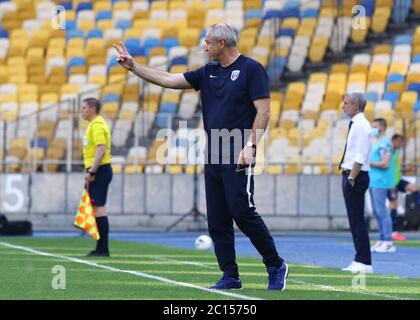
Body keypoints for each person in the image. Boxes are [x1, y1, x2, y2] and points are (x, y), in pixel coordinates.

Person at [113, 23, 288, 290]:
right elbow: (169, 79)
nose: (204, 46)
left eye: (207, 42)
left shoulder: (251, 69)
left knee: (242, 211)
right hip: (214, 150)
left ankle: (275, 264)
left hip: (238, 148)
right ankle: (230, 275)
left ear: (221, 44)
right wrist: (134, 67)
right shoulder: (208, 72)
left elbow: (263, 111)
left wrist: (251, 146)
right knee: (217, 217)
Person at [340, 93, 373, 273]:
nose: (343, 106)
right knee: (355, 220)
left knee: (357, 220)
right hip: (352, 174)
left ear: (355, 105)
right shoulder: (357, 124)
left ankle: (364, 261)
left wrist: (352, 177)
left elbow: (360, 154)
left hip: (355, 176)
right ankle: (360, 258)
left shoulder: (361, 126)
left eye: (345, 103)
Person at [81, 98, 113, 257]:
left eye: (84, 107)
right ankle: (100, 247)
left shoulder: (97, 125)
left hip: (99, 170)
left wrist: (92, 172)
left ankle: (103, 248)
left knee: (99, 208)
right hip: (98, 170)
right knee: (96, 208)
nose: (82, 110)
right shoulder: (94, 125)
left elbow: (101, 149)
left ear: (93, 108)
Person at [369, 118, 396, 253]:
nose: (372, 129)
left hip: (381, 181)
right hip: (373, 180)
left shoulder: (385, 143)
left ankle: (388, 241)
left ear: (382, 128)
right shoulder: (376, 143)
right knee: (376, 211)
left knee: (382, 211)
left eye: (374, 126)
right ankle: (382, 239)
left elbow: (386, 164)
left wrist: (367, 163)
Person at [388, 133, 420, 240]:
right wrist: (391, 183)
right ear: (395, 140)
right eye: (401, 142)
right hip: (390, 182)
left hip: (397, 180)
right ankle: (393, 232)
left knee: (415, 188)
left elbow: (394, 167)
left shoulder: (394, 151)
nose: (401, 145)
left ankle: (418, 208)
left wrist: (403, 170)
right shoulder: (388, 149)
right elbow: (387, 167)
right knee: (394, 204)